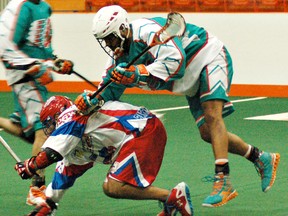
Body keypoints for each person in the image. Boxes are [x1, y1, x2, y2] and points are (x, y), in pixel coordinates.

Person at [74, 5, 281, 207]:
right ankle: (260, 157)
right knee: (207, 132)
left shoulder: (147, 32)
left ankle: (223, 180)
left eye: (110, 38)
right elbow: (108, 88)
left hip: (207, 56)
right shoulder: (119, 56)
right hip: (189, 80)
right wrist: (92, 100)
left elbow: (176, 62)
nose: (108, 44)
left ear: (121, 29)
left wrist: (138, 73)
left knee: (212, 115)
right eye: (104, 40)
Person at [14, 95, 194, 216]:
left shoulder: (71, 115)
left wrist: (31, 165)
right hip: (140, 132)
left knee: (113, 187)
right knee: (113, 187)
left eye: (51, 124)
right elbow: (65, 174)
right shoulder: (73, 141)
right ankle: (171, 200)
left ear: (58, 116)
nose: (51, 130)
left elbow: (52, 154)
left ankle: (173, 196)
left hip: (141, 130)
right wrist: (47, 205)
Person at [0, 0, 74, 206]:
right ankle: (36, 189)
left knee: (27, 130)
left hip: (32, 76)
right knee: (42, 131)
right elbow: (8, 48)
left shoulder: (43, 7)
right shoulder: (23, 8)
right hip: (25, 77)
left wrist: (56, 62)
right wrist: (37, 69)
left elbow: (41, 48)